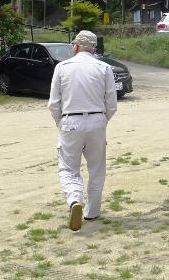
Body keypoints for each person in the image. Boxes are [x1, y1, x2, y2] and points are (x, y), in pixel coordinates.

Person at [48, 30, 118, 232]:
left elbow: (54, 104)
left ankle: (74, 199)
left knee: (68, 168)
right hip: (97, 119)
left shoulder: (62, 67)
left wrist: (61, 123)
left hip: (71, 120)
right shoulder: (104, 68)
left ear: (76, 46)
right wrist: (103, 120)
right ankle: (92, 211)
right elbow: (111, 103)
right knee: (97, 168)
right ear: (94, 48)